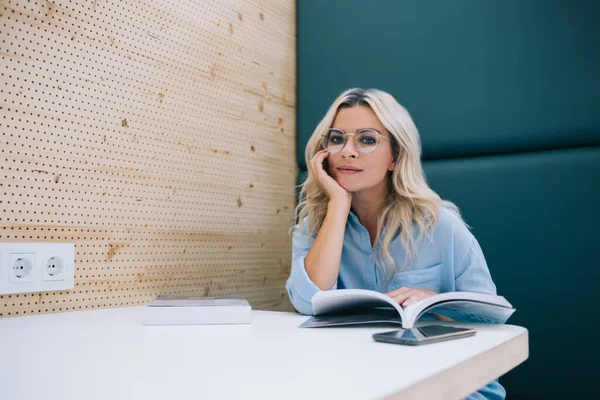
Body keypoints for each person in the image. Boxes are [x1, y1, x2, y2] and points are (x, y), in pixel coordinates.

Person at [285, 88, 506, 399]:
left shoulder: (441, 226)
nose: (348, 150)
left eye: (367, 139)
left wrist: (435, 301)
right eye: (337, 139)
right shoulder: (314, 226)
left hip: (451, 386)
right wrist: (338, 202)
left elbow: (492, 322)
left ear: (395, 157)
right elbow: (308, 301)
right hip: (358, 383)